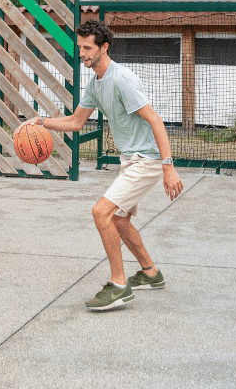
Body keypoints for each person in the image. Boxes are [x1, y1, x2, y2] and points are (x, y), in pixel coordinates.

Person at [15, 20, 182, 311]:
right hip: (131, 159)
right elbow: (76, 122)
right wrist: (41, 121)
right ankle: (151, 273)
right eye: (79, 47)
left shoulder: (122, 79)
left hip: (147, 160)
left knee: (101, 212)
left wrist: (168, 167)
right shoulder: (95, 82)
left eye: (87, 47)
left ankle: (119, 285)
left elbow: (155, 120)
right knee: (118, 218)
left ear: (104, 47)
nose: (82, 53)